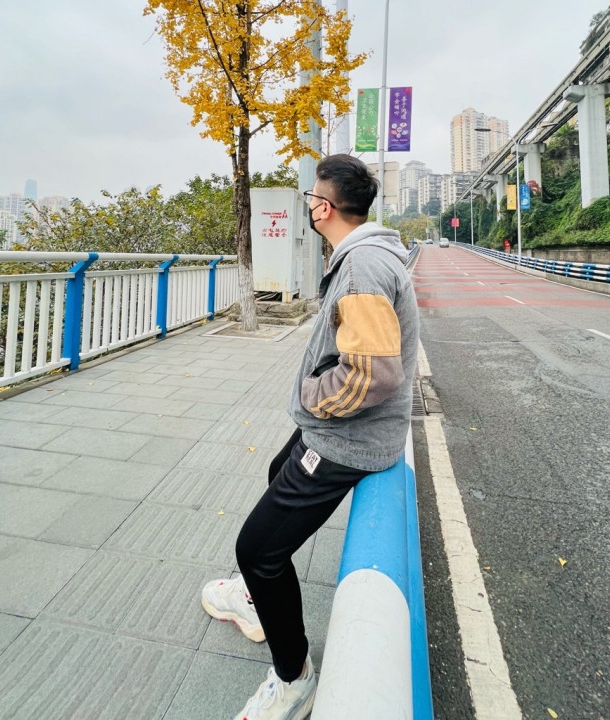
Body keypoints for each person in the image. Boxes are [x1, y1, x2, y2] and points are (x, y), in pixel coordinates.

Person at [201, 154, 419, 720]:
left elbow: (374, 375)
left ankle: (292, 677)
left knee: (257, 551)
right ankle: (256, 598)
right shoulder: (367, 254)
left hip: (347, 440)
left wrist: (311, 396)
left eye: (310, 199)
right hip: (336, 431)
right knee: (279, 469)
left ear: (322, 208)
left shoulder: (362, 268)